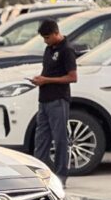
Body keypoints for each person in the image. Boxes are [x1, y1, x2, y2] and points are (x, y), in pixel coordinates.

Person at [31, 19, 77, 185]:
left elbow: (72, 77)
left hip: (58, 100)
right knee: (41, 140)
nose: (45, 41)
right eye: (43, 38)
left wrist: (47, 80)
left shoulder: (67, 50)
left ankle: (60, 176)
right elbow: (48, 71)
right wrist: (40, 79)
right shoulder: (49, 48)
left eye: (47, 37)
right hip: (44, 99)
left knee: (60, 140)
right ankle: (38, 176)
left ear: (56, 33)